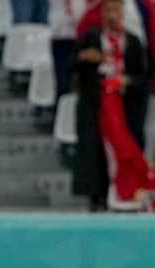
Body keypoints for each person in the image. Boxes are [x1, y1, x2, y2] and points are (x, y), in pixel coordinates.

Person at [73, 0, 151, 211]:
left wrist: (126, 81)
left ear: (123, 12)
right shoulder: (91, 38)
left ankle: (128, 194)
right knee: (97, 152)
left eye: (115, 10)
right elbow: (72, 66)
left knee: (126, 150)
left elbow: (143, 79)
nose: (111, 15)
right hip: (97, 107)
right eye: (107, 10)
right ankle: (98, 197)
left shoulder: (133, 42)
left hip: (125, 109)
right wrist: (83, 57)